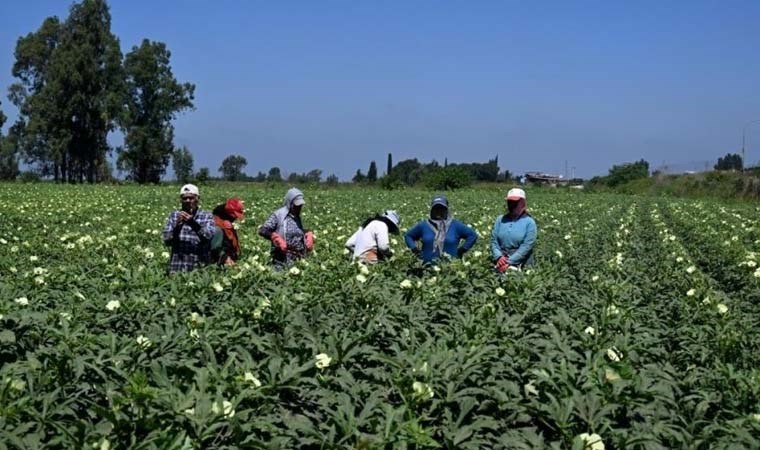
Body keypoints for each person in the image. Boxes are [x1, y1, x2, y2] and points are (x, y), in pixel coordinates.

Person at [404, 195, 477, 264]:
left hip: (450, 270)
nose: (438, 211)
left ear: (446, 210)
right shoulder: (424, 225)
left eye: (442, 208)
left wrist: (462, 250)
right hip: (426, 268)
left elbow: (472, 235)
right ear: (432, 210)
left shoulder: (455, 225)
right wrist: (414, 249)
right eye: (436, 208)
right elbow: (408, 236)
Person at [162, 184, 216, 274]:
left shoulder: (206, 216)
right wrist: (177, 227)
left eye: (191, 198)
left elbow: (209, 237)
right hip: (177, 267)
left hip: (199, 268)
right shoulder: (174, 215)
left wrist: (193, 224)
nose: (187, 201)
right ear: (181, 200)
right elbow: (166, 240)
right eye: (184, 198)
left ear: (197, 199)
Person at [258, 187, 314, 267]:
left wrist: (308, 233)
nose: (299, 208)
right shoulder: (278, 215)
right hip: (282, 260)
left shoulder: (296, 216)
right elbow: (262, 230)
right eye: (296, 205)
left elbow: (297, 231)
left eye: (300, 205)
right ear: (290, 203)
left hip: (298, 259)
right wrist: (275, 237)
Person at [491, 188, 537, 272]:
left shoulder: (529, 222)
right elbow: (494, 241)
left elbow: (526, 246)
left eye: (515, 203)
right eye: (510, 202)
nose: (512, 205)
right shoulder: (500, 219)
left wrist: (509, 262)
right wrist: (499, 257)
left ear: (523, 203)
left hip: (521, 263)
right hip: (500, 261)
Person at [210, 198, 245, 266]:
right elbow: (216, 247)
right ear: (229, 212)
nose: (236, 218)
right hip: (220, 263)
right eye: (235, 215)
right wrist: (225, 258)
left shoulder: (225, 221)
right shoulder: (216, 225)